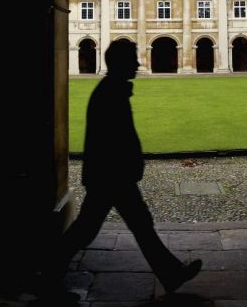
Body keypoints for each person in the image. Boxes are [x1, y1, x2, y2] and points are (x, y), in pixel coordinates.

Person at [51, 39, 201, 299]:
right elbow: (114, 138)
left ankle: (172, 273)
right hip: (111, 177)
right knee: (90, 229)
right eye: (132, 60)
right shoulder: (111, 92)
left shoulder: (113, 89)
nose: (137, 65)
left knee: (134, 225)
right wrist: (131, 164)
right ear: (120, 63)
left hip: (110, 175)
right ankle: (47, 274)